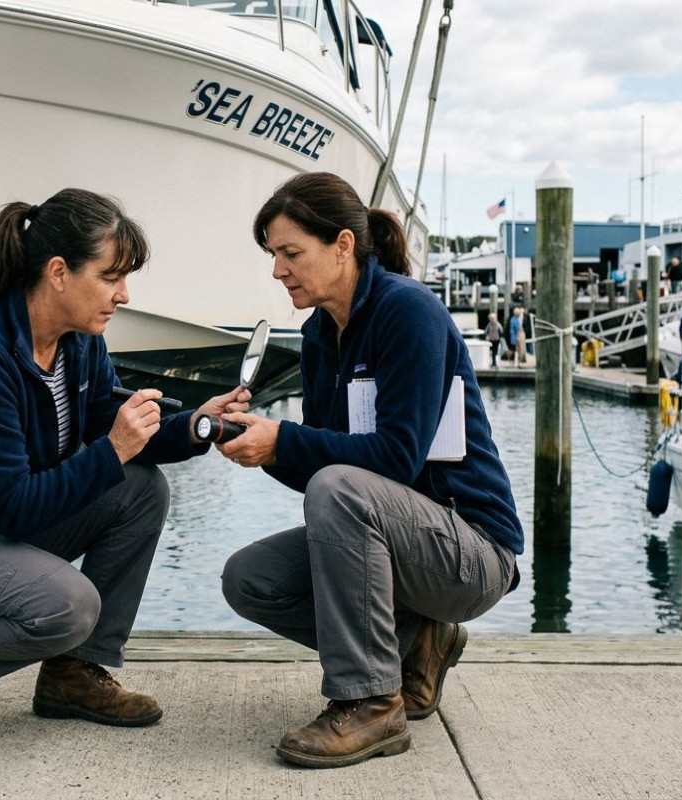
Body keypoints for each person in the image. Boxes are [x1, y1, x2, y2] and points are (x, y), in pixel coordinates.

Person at [0, 188, 249, 737]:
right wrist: (111, 449)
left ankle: (74, 673)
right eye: (111, 277)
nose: (125, 294)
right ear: (59, 272)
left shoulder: (75, 339)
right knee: (68, 606)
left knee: (142, 489)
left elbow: (107, 418)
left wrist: (195, 426)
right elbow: (14, 509)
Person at [214, 173, 522, 769]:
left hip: (473, 549)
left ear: (344, 246)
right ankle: (418, 643)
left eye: (291, 252)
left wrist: (288, 440)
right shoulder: (318, 335)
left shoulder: (408, 312)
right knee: (249, 579)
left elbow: (397, 458)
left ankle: (371, 703)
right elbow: (325, 470)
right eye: (274, 255)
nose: (278, 270)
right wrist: (261, 447)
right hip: (399, 541)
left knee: (339, 487)